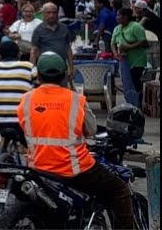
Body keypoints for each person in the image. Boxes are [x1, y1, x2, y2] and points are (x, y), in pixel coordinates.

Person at [18, 53, 139, 230]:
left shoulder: (26, 100)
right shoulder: (75, 100)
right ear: (64, 76)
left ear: (39, 76)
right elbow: (91, 130)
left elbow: (26, 128)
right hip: (74, 169)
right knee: (119, 189)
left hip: (37, 167)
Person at [0, 39, 35, 138]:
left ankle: (4, 143)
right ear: (19, 55)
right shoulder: (29, 67)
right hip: (23, 119)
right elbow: (37, 86)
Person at [112, 6, 149, 102]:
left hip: (137, 60)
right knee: (126, 83)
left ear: (126, 17)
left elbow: (143, 42)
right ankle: (130, 102)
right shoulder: (117, 29)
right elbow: (113, 43)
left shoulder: (136, 27)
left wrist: (128, 47)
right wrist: (115, 53)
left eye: (119, 15)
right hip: (124, 60)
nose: (117, 17)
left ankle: (138, 103)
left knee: (136, 83)